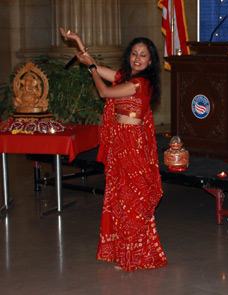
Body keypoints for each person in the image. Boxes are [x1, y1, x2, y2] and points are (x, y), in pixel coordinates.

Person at [60, 28, 167, 271]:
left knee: (134, 199)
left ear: (150, 62)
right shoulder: (126, 78)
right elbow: (97, 68)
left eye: (143, 55)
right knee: (120, 198)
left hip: (133, 144)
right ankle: (129, 252)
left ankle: (135, 255)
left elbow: (104, 91)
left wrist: (90, 67)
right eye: (134, 54)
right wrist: (78, 41)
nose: (137, 58)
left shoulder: (141, 82)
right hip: (120, 143)